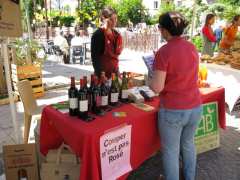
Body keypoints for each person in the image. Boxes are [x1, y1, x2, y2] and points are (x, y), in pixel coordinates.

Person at [150, 12, 202, 180]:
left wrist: (150, 77)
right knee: (188, 145)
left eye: (159, 28)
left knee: (171, 151)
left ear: (165, 30)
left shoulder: (163, 52)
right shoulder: (192, 46)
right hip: (195, 107)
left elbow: (157, 87)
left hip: (173, 110)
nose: (159, 31)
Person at [91, 7, 123, 78]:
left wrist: (117, 70)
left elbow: (116, 57)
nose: (114, 22)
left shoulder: (116, 34)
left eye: (116, 19)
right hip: (102, 75)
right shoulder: (98, 35)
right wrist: (101, 74)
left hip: (115, 73)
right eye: (111, 19)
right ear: (104, 19)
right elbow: (95, 58)